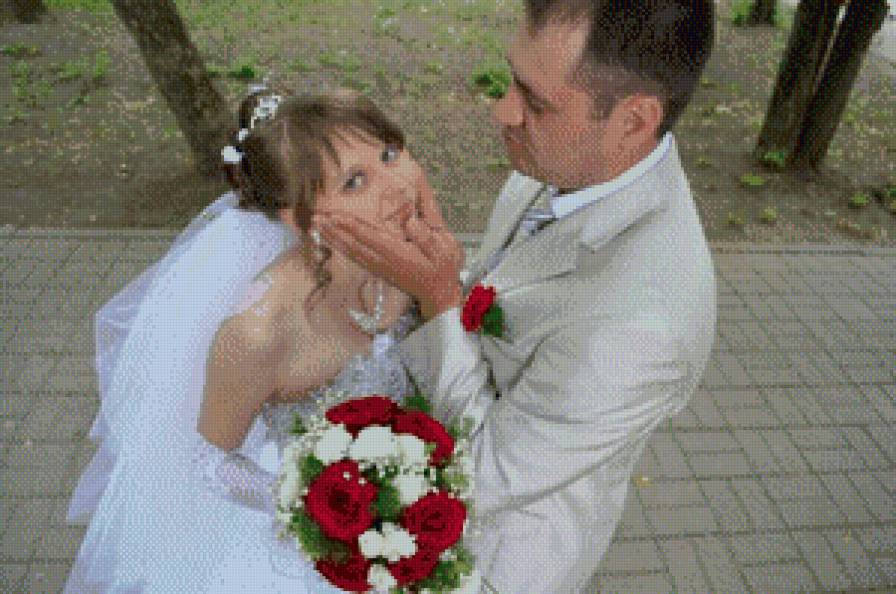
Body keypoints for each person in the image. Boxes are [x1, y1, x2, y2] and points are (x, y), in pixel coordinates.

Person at [314, 1, 718, 592]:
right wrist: (444, 274)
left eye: (536, 101)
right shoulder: (570, 160)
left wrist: (438, 298)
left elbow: (483, 474)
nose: (502, 110)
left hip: (495, 559)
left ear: (634, 121)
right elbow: (505, 290)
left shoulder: (646, 323)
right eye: (512, 79)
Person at [63, 89, 452, 593]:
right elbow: (209, 461)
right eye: (355, 181)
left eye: (390, 154)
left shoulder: (414, 251)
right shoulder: (259, 333)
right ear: (298, 217)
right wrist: (315, 509)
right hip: (317, 546)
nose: (396, 186)